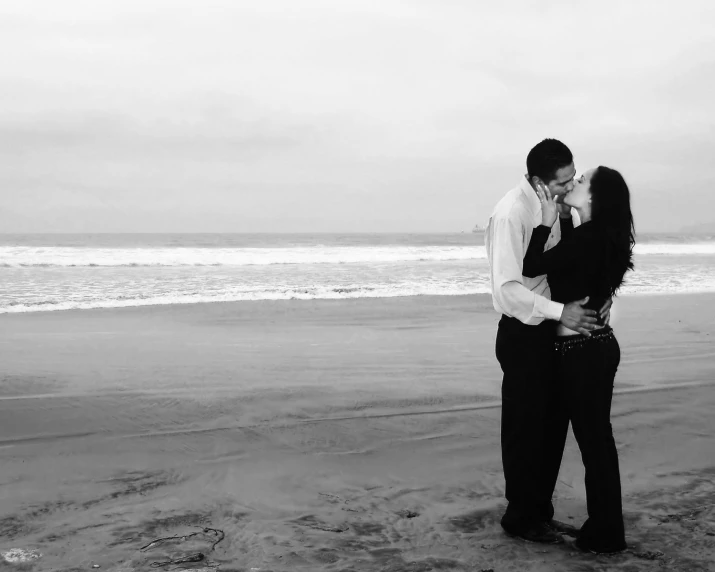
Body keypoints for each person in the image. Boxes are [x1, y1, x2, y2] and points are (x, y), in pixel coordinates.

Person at [485, 138, 611, 545]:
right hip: (522, 331)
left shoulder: (557, 209)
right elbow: (507, 290)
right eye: (561, 183)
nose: (567, 187)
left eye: (572, 179)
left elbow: (569, 263)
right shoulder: (511, 214)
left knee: (553, 424)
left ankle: (540, 510)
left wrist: (600, 296)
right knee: (524, 427)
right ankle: (519, 516)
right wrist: (563, 313)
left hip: (553, 330)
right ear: (537, 181)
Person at [523, 166, 635, 554]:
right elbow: (577, 269)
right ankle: (606, 528)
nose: (574, 184)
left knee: (594, 445)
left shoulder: (588, 238)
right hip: (596, 347)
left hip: (582, 353)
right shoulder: (602, 238)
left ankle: (606, 534)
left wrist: (546, 222)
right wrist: (568, 221)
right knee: (597, 442)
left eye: (582, 181)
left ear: (594, 198)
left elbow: (532, 266)